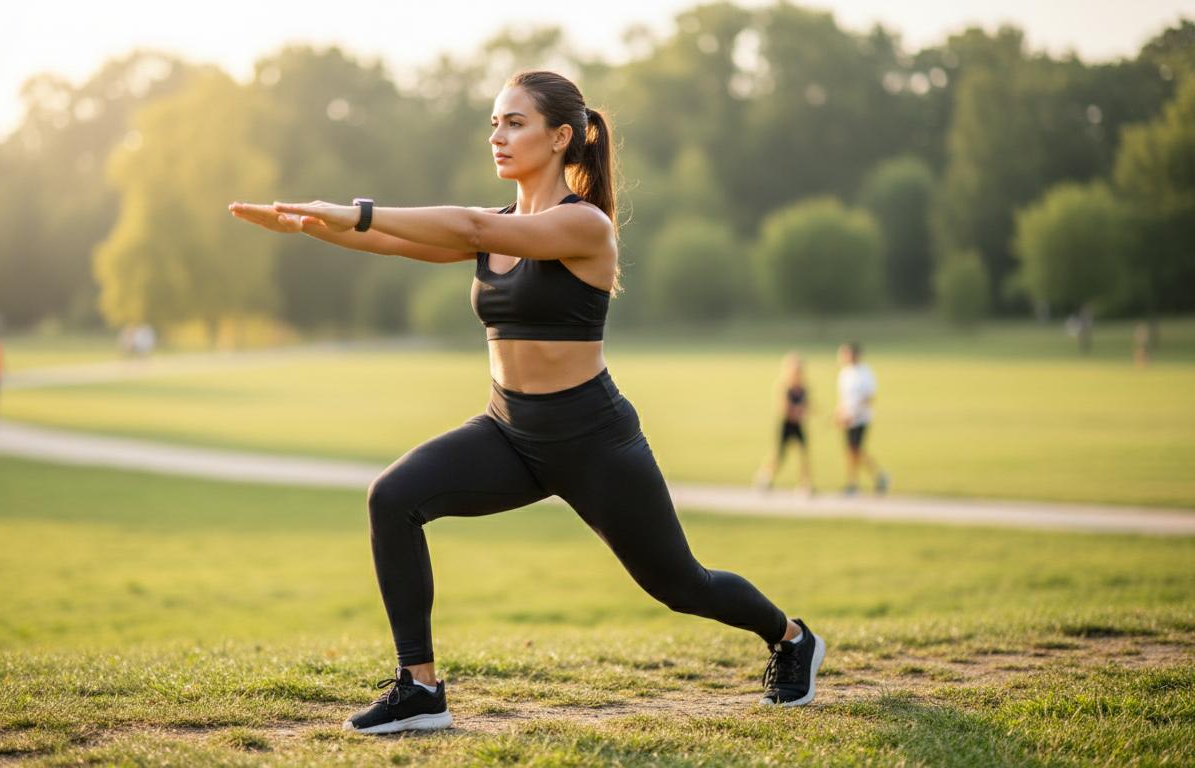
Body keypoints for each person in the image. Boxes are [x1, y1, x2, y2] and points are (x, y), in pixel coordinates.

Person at [229, 70, 824, 735]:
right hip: (508, 431)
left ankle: (791, 638)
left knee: (682, 585)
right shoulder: (499, 227)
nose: (499, 137)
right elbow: (395, 241)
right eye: (494, 124)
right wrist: (310, 223)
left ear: (561, 136)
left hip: (592, 441)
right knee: (392, 499)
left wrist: (355, 207)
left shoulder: (584, 225)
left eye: (515, 123)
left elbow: (467, 222)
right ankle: (419, 688)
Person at [753, 351, 813, 496]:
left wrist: (805, 411)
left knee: (804, 453)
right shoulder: (785, 387)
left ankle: (805, 484)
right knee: (779, 455)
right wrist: (797, 412)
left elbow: (807, 405)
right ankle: (765, 477)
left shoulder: (803, 388)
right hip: (786, 424)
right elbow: (783, 408)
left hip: (798, 424)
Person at [834, 342, 889, 495]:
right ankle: (857, 482)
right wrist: (840, 414)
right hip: (847, 418)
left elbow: (868, 397)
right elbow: (843, 398)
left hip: (861, 418)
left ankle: (868, 479)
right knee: (851, 451)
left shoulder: (865, 373)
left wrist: (854, 413)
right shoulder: (844, 373)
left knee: (856, 450)